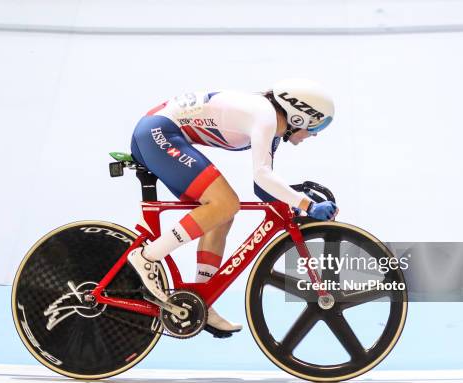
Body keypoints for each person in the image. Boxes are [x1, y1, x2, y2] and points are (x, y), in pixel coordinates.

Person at [128, 78, 337, 337]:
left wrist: (295, 199)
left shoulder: (271, 125)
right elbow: (262, 177)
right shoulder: (266, 116)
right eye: (316, 125)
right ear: (299, 115)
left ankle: (201, 297)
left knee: (222, 213)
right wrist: (306, 203)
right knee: (225, 203)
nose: (315, 134)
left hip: (159, 132)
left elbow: (262, 189)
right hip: (158, 133)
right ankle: (147, 257)